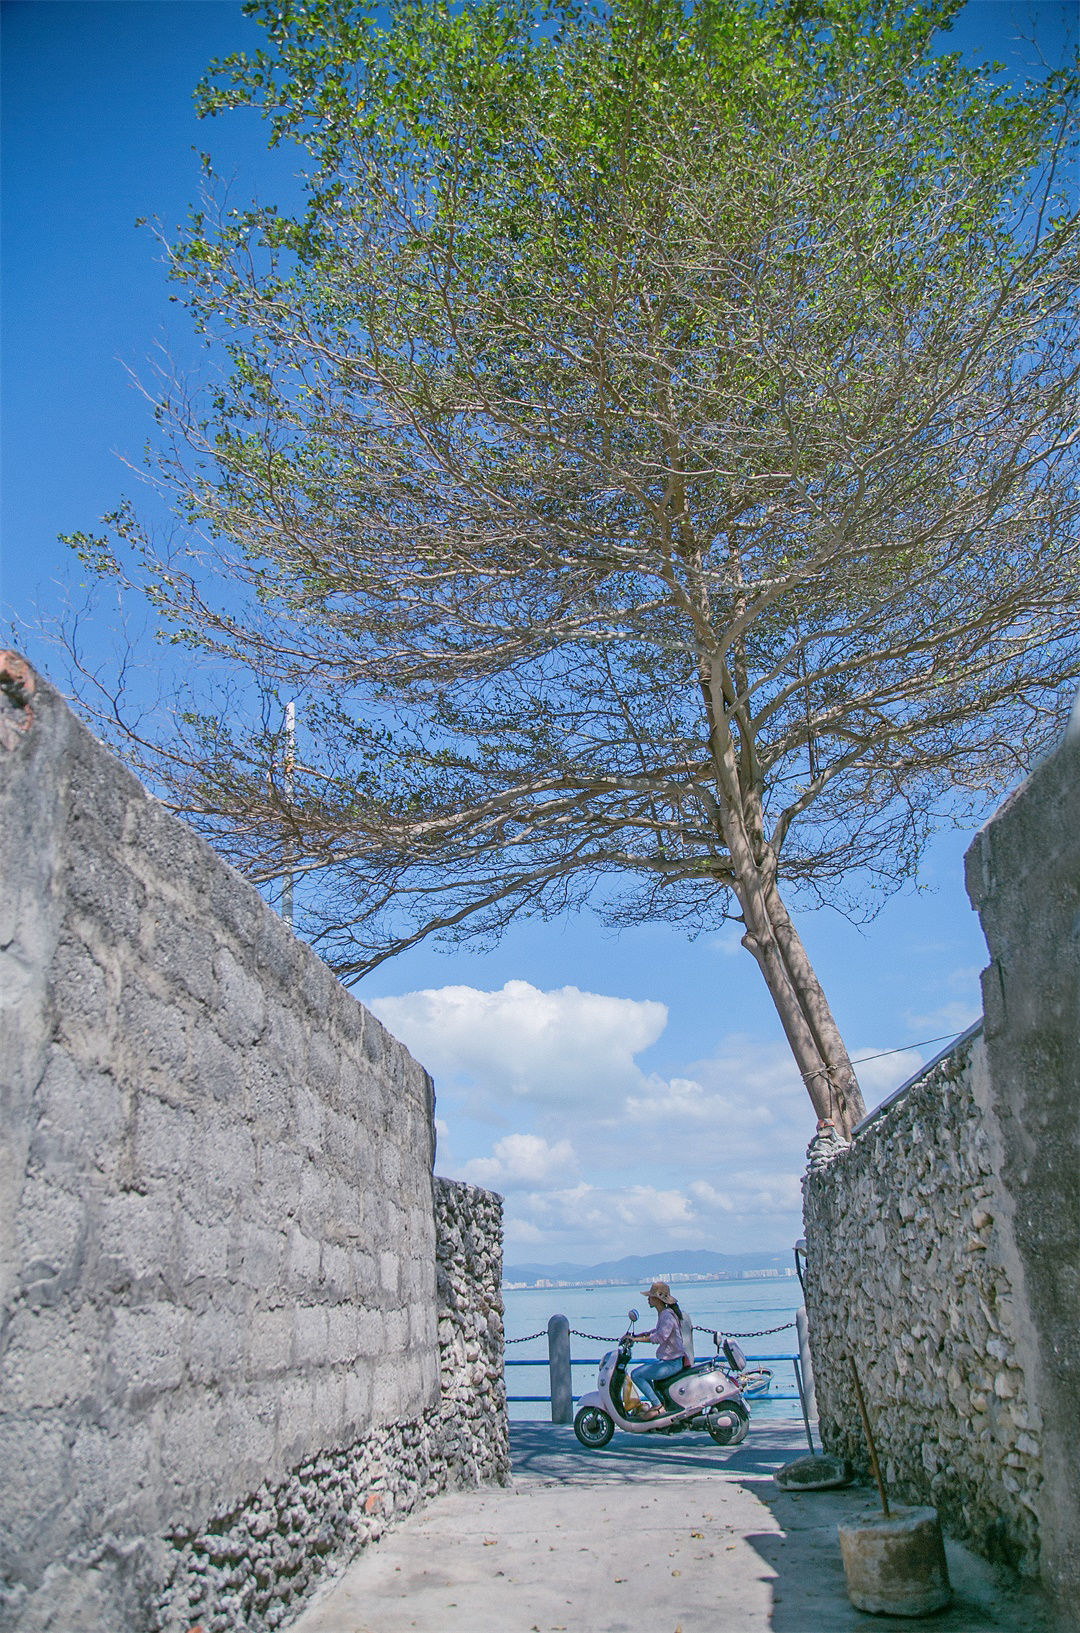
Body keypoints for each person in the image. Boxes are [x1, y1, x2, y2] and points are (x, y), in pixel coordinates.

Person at [628, 1280, 691, 1418]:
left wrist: (635, 1340)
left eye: (650, 1297)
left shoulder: (667, 1315)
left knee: (637, 1374)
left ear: (657, 1298)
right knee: (645, 1374)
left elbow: (660, 1337)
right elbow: (657, 1331)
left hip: (672, 1363)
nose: (648, 1299)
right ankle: (662, 1405)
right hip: (670, 1361)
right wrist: (639, 1335)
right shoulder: (664, 1313)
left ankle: (658, 1406)